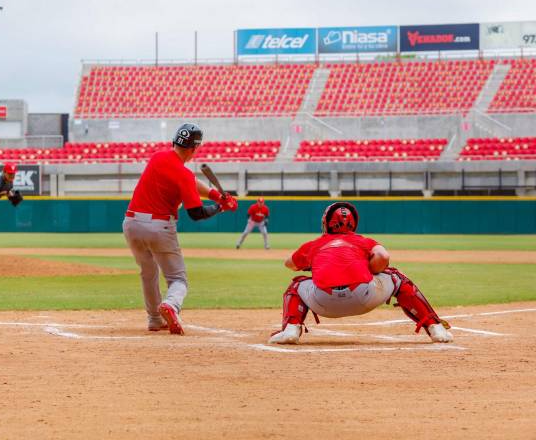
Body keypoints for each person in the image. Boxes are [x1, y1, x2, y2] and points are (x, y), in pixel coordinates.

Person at [268, 202, 453, 344]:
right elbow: (383, 256)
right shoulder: (363, 241)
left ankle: (291, 329)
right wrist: (368, 269)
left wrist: (312, 265)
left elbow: (289, 264)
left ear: (327, 223)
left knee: (297, 284)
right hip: (363, 296)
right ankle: (435, 328)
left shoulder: (314, 244)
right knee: (397, 277)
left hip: (322, 301)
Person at [123, 123, 238, 335]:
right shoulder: (183, 175)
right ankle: (171, 305)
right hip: (159, 226)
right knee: (178, 279)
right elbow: (196, 213)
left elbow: (191, 181)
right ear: (194, 149)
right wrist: (221, 207)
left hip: (131, 223)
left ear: (175, 142)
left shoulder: (158, 157)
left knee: (148, 273)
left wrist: (216, 196)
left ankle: (155, 319)